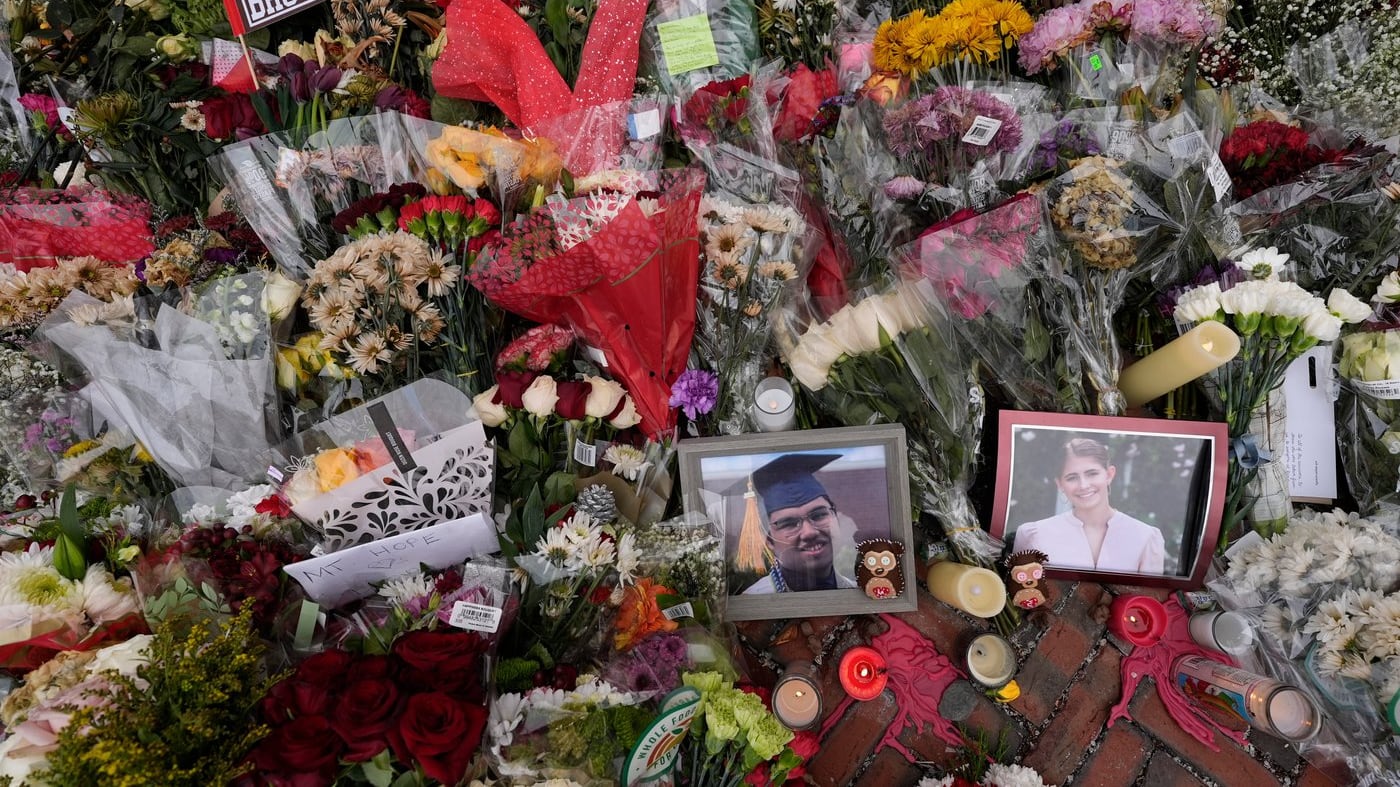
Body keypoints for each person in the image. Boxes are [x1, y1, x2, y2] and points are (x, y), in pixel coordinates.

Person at [1013, 437, 1165, 574]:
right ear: (1060, 484)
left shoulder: (1145, 537)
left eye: (1092, 473)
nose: (1083, 485)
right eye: (1072, 477)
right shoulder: (1035, 535)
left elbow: (1150, 595)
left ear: (1109, 474)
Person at [740, 453, 860, 594]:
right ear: (769, 541)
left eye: (819, 515)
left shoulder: (859, 594)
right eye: (789, 524)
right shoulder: (756, 602)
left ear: (835, 517)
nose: (809, 532)